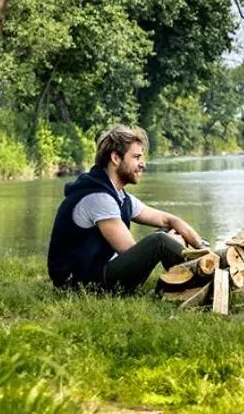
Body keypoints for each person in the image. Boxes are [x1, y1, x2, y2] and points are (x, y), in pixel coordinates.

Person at [46, 124, 205, 293]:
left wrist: (200, 245)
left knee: (166, 233)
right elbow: (130, 251)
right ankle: (201, 284)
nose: (142, 164)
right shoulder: (99, 198)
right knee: (160, 241)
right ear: (116, 158)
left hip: (96, 273)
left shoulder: (120, 196)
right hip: (80, 285)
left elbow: (168, 219)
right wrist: (171, 241)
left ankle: (193, 277)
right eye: (136, 157)